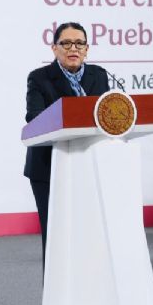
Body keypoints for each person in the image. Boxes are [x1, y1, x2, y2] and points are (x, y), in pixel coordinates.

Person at [24, 22, 109, 258]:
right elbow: (34, 119)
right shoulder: (40, 78)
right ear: (54, 48)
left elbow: (106, 118)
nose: (74, 48)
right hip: (49, 168)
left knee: (87, 235)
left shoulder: (99, 76)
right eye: (66, 43)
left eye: (80, 43)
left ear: (87, 49)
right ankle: (53, 294)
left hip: (88, 165)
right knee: (55, 238)